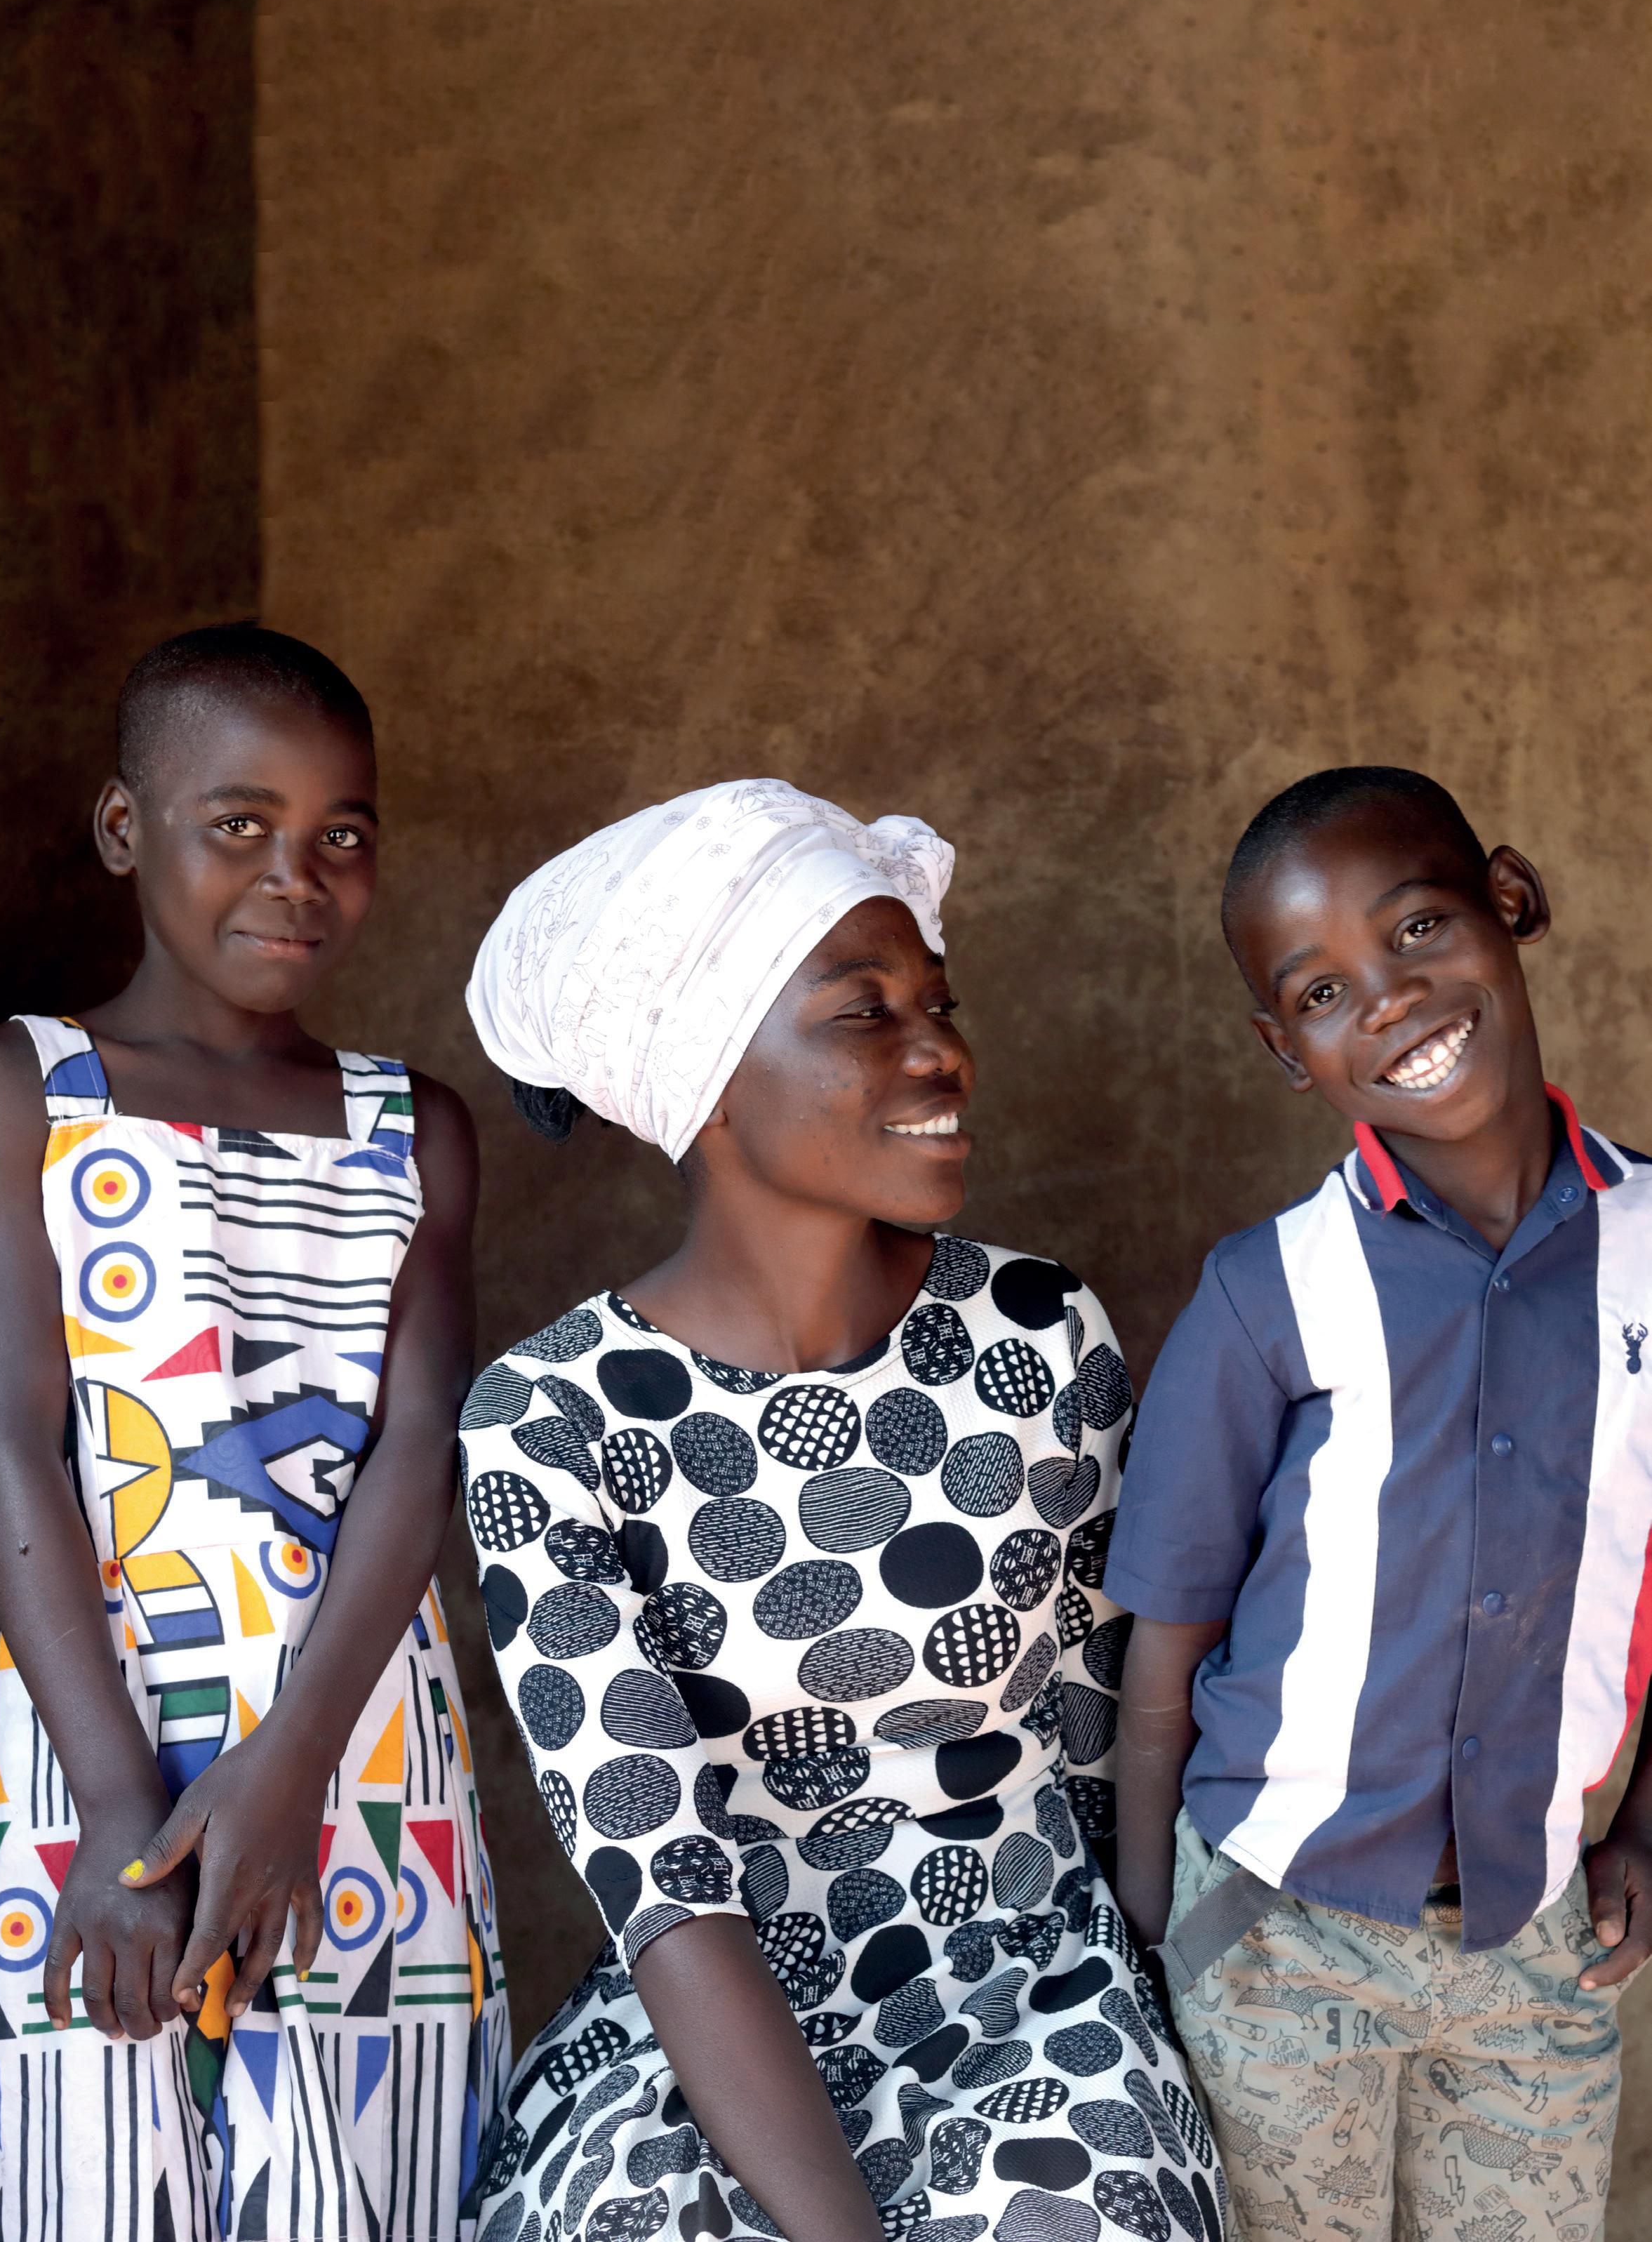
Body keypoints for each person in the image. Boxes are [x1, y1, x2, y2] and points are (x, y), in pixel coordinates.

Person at [458, 778, 1225, 2242]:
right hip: (717, 2027)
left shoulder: (1036, 1333)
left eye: (938, 1002)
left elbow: (1110, 1718)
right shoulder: (548, 1419)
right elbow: (661, 1881)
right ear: (703, 1080)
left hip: (1035, 1985)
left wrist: (1142, 2006)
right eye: (863, 1013)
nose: (943, 1051)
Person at [0, 626, 509, 2241]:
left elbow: (417, 1449)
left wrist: (291, 1770)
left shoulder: (413, 1129)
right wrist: (120, 1807)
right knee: (102, 2159)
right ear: (128, 828)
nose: (294, 877)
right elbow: (14, 1450)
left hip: (361, 1748)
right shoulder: (24, 1089)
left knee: (375, 2160)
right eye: (240, 824)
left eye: (343, 834)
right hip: (104, 1736)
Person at [1107, 765, 1652, 2242]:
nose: (1393, 999)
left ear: (1510, 899)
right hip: (1273, 1935)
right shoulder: (1266, 1291)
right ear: (1284, 1049)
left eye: (1417, 928)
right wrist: (1154, 1938)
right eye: (1324, 991)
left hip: (1533, 1930)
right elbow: (1166, 1647)